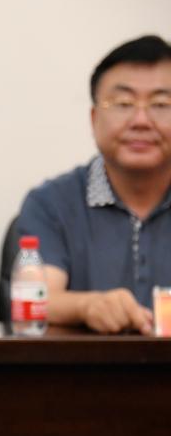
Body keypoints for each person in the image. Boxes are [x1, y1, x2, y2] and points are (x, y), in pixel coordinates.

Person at [16, 35, 171, 334]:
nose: (141, 120)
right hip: (82, 366)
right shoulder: (51, 203)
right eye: (123, 103)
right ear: (94, 118)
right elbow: (39, 298)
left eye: (161, 104)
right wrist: (87, 306)